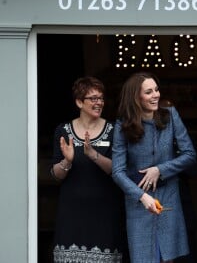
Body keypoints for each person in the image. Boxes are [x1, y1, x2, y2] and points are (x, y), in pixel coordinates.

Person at [112, 71, 197, 263]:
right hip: (139, 203)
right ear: (136, 97)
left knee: (169, 258)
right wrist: (141, 196)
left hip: (169, 199)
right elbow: (117, 171)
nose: (156, 95)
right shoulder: (122, 126)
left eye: (156, 90)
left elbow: (190, 155)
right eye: (149, 92)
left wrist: (160, 170)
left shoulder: (170, 115)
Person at [50, 76, 127, 263]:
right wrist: (67, 161)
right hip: (71, 213)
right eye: (93, 98)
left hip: (105, 213)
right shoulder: (63, 131)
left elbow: (117, 170)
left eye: (101, 98)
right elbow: (55, 175)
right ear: (79, 102)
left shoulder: (115, 130)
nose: (99, 102)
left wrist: (92, 154)